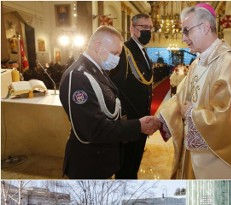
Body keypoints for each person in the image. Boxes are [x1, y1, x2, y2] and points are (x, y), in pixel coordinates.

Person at [156, 4, 231, 179]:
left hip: (213, 160)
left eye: (186, 31)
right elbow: (181, 98)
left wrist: (194, 115)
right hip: (192, 153)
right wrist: (159, 120)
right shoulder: (197, 63)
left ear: (205, 27)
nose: (183, 38)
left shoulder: (229, 64)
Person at [59, 25, 159, 179]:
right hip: (88, 165)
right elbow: (94, 129)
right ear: (98, 46)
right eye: (114, 53)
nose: (117, 59)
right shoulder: (79, 77)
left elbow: (113, 109)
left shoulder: (98, 71)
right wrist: (138, 125)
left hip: (101, 160)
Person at [109, 14, 155, 179]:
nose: (148, 31)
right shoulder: (124, 51)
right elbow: (114, 86)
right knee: (125, 168)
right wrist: (125, 119)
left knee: (134, 164)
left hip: (142, 121)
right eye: (144, 27)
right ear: (132, 28)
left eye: (150, 28)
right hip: (130, 123)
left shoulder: (143, 52)